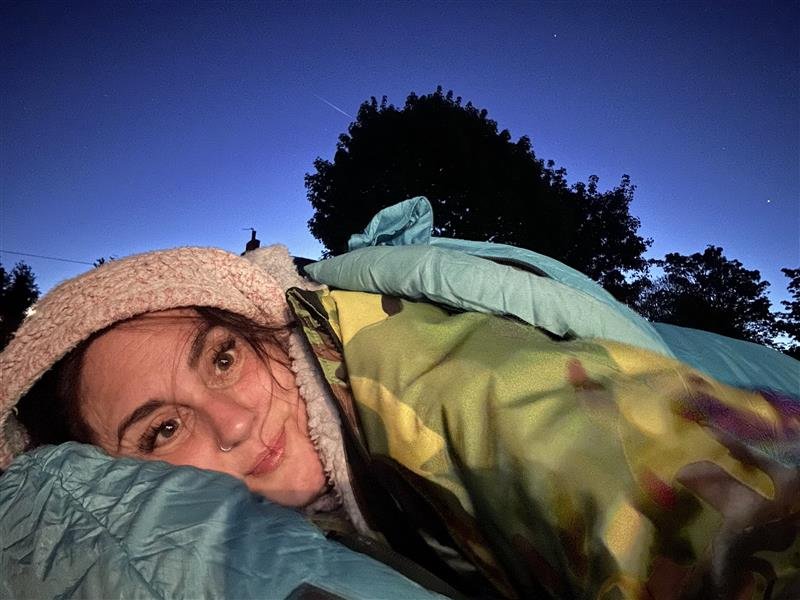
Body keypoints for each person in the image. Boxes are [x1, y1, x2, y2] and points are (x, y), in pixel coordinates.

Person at [1, 244, 797, 599]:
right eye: (163, 431)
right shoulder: (300, 491)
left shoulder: (424, 371)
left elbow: (671, 489)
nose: (237, 421)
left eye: (221, 359)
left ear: (260, 332)